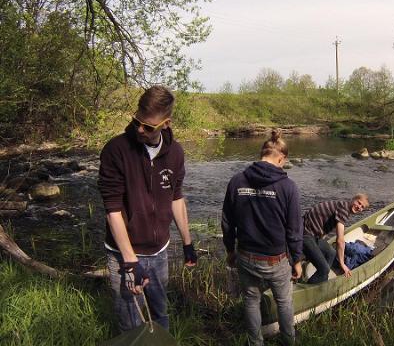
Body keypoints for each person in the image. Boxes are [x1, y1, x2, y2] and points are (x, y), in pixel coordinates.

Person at [98, 85, 197, 332]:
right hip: (124, 253)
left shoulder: (175, 153)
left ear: (166, 123)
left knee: (159, 314)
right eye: (137, 121)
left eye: (149, 127)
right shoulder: (116, 150)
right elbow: (112, 209)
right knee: (131, 322)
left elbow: (176, 197)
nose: (140, 129)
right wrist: (130, 262)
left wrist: (187, 243)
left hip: (160, 251)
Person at [221, 130, 303, 346]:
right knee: (284, 302)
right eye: (285, 162)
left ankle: (255, 343)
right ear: (281, 158)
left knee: (251, 301)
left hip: (246, 256)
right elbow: (294, 230)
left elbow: (227, 222)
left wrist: (230, 250)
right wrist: (297, 260)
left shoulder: (236, 181)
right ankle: (288, 342)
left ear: (262, 154)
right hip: (275, 259)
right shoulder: (288, 187)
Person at [302, 194, 369, 284]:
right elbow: (340, 241)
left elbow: (324, 224)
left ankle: (322, 280)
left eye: (362, 207)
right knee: (324, 268)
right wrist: (342, 264)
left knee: (331, 252)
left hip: (313, 235)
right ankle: (310, 291)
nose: (359, 207)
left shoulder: (342, 205)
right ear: (353, 199)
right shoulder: (343, 210)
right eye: (359, 203)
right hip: (304, 234)